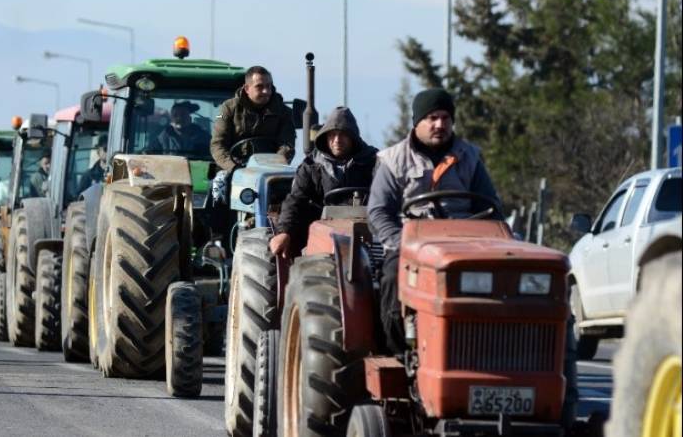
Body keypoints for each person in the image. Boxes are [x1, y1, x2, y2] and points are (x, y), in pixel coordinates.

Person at [367, 88, 577, 426]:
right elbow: (379, 212)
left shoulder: (469, 156)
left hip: (464, 243)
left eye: (445, 118)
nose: (439, 125)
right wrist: (398, 244)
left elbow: (489, 205)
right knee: (392, 276)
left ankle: (505, 364)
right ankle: (398, 351)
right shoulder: (393, 159)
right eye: (432, 118)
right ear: (417, 122)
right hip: (413, 244)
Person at [269, 107, 377, 257]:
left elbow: (389, 193)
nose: (337, 140)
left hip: (367, 227)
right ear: (325, 137)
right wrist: (284, 231)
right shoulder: (312, 166)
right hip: (322, 231)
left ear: (353, 137)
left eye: (343, 135)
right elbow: (295, 200)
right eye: (332, 135)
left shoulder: (373, 162)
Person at [210, 65, 296, 173]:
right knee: (219, 184)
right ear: (247, 88)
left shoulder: (284, 112)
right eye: (259, 87)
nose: (266, 91)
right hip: (234, 167)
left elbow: (287, 145)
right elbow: (218, 144)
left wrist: (275, 166)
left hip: (270, 169)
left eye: (268, 86)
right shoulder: (227, 109)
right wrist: (234, 168)